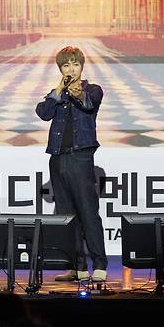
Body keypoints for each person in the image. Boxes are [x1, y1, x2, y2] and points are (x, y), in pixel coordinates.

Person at [35, 46, 107, 282]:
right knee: (66, 215)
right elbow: (43, 112)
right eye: (66, 65)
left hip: (80, 157)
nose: (71, 69)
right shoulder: (57, 94)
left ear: (82, 66)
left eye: (75, 64)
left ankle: (99, 265)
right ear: (60, 69)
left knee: (88, 212)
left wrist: (76, 92)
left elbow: (88, 104)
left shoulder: (93, 90)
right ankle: (77, 267)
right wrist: (59, 89)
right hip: (57, 158)